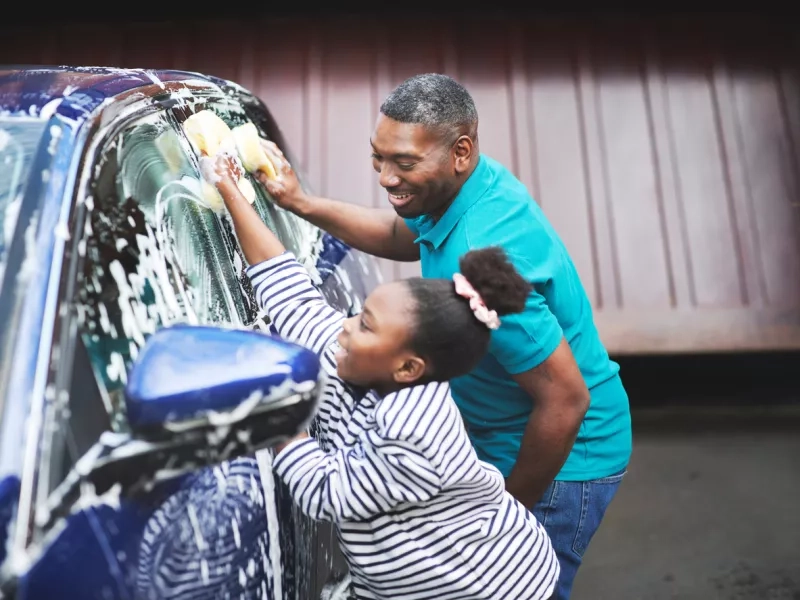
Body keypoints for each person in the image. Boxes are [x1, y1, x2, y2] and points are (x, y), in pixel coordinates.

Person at [253, 73, 633, 598]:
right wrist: (300, 203)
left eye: (404, 163)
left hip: (561, 460)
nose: (386, 178)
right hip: (503, 437)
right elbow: (397, 235)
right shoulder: (467, 188)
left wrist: (499, 520)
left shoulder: (482, 250)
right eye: (377, 158)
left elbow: (566, 401)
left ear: (461, 150)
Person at [203, 152, 560, 600]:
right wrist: (232, 194)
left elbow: (326, 490)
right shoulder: (362, 359)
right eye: (359, 315)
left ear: (408, 368)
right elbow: (293, 298)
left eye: (365, 325)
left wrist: (279, 420)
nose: (346, 327)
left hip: (489, 587)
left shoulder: (415, 435)